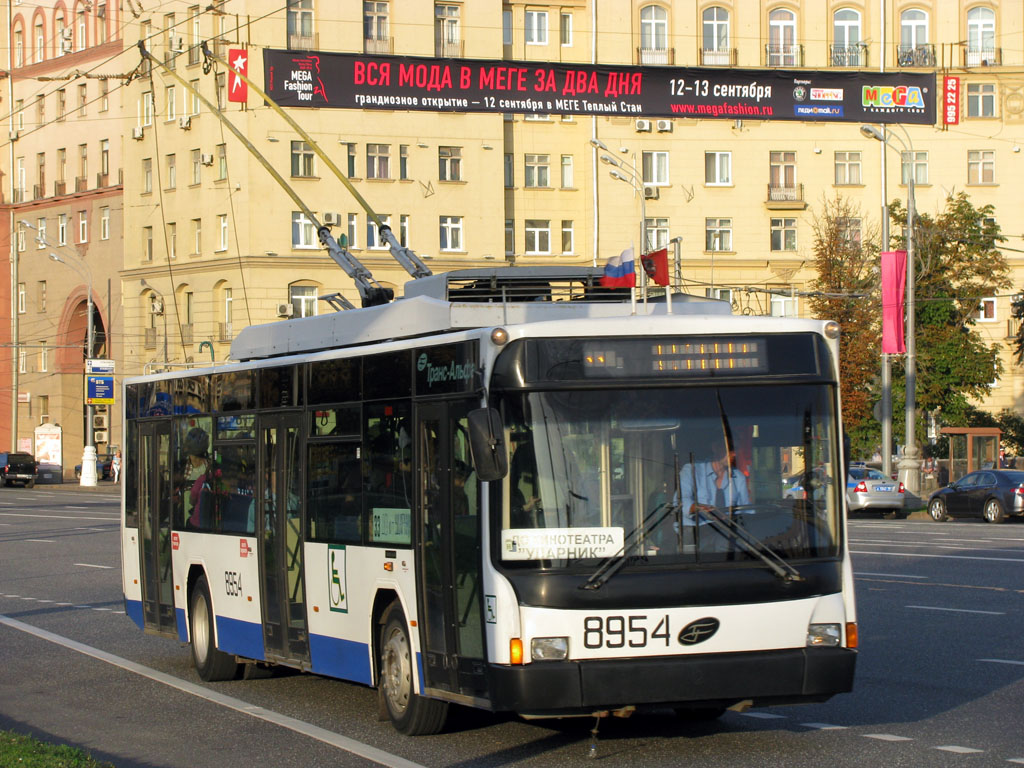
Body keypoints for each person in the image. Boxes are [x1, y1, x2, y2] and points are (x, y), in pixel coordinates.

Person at [676, 435, 749, 532]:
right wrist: (700, 508)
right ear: (715, 448)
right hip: (696, 537)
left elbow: (747, 512)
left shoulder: (738, 477)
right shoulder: (692, 470)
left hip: (730, 537)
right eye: (730, 449)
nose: (734, 454)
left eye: (736, 449)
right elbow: (680, 503)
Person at [182, 426, 212, 528]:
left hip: (201, 519)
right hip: (185, 518)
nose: (196, 460)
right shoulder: (181, 467)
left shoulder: (210, 467)